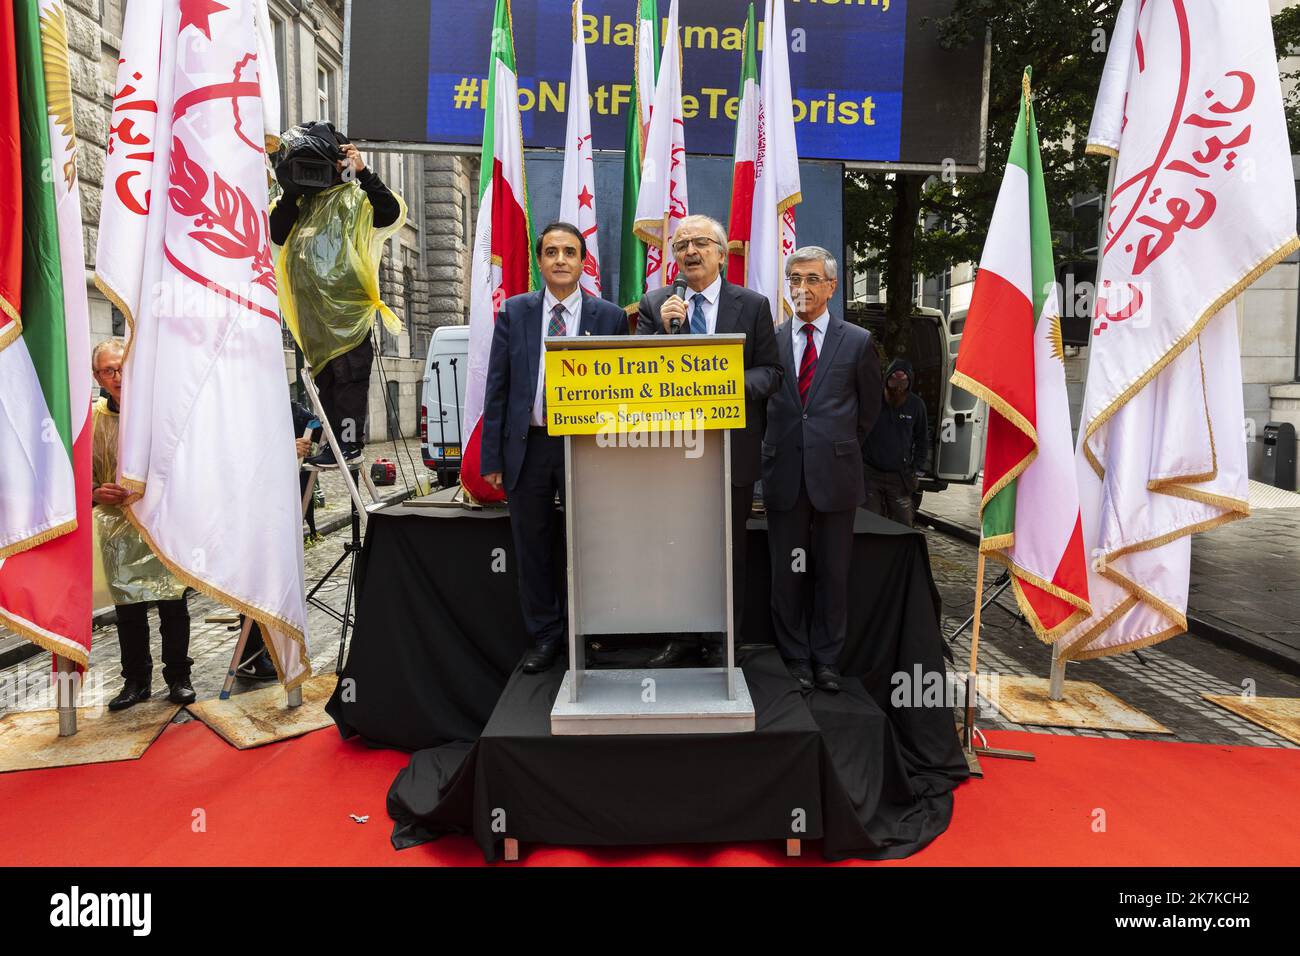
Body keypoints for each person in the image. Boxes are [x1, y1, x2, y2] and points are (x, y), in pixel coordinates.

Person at [481, 222, 630, 673]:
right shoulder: (515, 312)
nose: (561, 259)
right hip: (529, 448)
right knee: (534, 546)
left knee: (592, 543)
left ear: (583, 261)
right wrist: (491, 459)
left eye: (569, 251)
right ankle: (546, 636)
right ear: (540, 261)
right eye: (551, 252)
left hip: (589, 449)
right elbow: (498, 390)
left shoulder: (609, 318)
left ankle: (593, 633)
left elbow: (622, 390)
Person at [636, 214, 782, 667]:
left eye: (700, 242)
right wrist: (661, 332)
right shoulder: (656, 302)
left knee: (726, 548)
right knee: (675, 545)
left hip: (730, 450)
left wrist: (722, 384)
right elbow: (635, 373)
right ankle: (680, 636)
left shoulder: (752, 304)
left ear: (721, 253)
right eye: (681, 246)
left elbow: (771, 373)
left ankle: (725, 639)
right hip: (672, 453)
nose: (690, 252)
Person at [762, 247, 882, 693]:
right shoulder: (769, 340)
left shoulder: (857, 342)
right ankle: (794, 657)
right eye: (795, 279)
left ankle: (826, 660)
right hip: (785, 478)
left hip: (835, 478)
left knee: (832, 573)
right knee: (788, 573)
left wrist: (835, 447)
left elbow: (868, 412)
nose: (802, 288)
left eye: (812, 279)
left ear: (831, 286)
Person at [270, 124, 402, 469]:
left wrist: (363, 173)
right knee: (326, 382)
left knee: (348, 379)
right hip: (314, 316)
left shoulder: (356, 197)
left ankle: (349, 443)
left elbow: (388, 212)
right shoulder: (301, 203)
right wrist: (289, 188)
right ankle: (333, 445)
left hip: (348, 313)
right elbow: (277, 233)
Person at [90, 339, 196, 709]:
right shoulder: (92, 422)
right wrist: (94, 492)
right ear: (97, 377)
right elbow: (76, 480)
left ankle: (179, 677)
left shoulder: (157, 413)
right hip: (115, 530)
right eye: (108, 370)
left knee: (173, 604)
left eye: (122, 367)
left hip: (160, 523)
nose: (117, 376)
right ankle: (136, 681)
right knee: (129, 612)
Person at [237, 400, 321, 681]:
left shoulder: (287, 408)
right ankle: (250, 657)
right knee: (254, 584)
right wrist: (286, 450)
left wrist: (309, 442)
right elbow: (240, 458)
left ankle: (269, 651)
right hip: (251, 511)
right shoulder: (239, 411)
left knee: (275, 582)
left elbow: (315, 426)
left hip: (280, 509)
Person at [862, 359, 929, 527]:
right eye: (894, 380)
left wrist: (915, 469)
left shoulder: (916, 405)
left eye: (903, 381)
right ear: (886, 380)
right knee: (868, 521)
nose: (898, 386)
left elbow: (922, 439)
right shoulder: (872, 401)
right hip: (870, 475)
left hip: (899, 476)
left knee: (903, 523)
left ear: (909, 382)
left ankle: (898, 553)